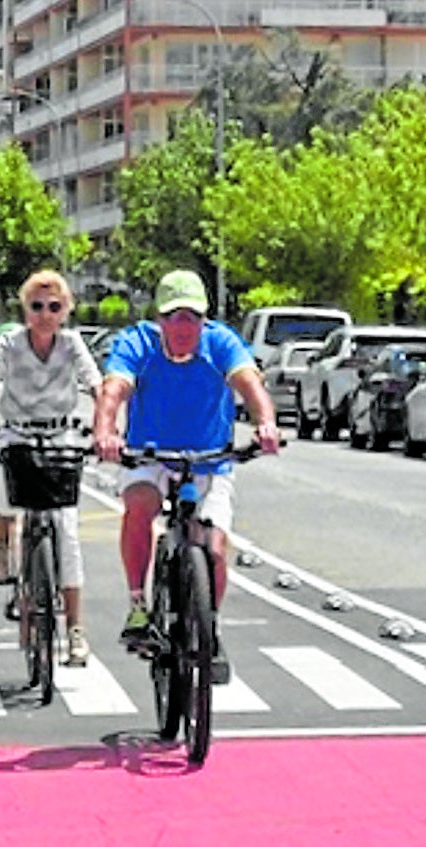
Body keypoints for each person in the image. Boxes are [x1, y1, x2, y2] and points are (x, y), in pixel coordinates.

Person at [92, 269, 280, 659]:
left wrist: (266, 423)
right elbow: (113, 390)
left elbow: (249, 382)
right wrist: (105, 432)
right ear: (159, 319)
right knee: (140, 505)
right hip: (150, 454)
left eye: (192, 317)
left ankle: (209, 625)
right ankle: (139, 606)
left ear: (204, 319)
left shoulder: (221, 342)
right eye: (174, 316)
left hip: (209, 459)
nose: (183, 326)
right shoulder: (137, 343)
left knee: (212, 548)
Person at [0, 270, 102, 666]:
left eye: (54, 307)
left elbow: (96, 385)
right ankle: (2, 537)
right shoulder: (9, 343)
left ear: (66, 311)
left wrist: (106, 426)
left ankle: (76, 629)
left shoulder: (73, 344)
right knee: (5, 481)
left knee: (68, 531)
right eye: (36, 306)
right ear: (25, 310)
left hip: (61, 437)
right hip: (17, 433)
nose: (45, 314)